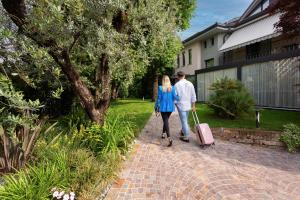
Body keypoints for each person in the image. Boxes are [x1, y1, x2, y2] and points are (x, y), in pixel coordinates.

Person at [155, 75, 179, 147]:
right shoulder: (172, 88)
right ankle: (163, 134)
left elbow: (159, 98)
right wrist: (179, 96)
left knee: (166, 121)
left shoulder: (160, 88)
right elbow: (175, 97)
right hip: (170, 108)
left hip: (163, 107)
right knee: (166, 120)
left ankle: (169, 138)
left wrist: (156, 107)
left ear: (163, 81)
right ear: (169, 80)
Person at [174, 71, 197, 143]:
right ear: (184, 76)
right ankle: (183, 131)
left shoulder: (176, 85)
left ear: (178, 77)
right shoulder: (190, 84)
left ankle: (186, 137)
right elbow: (193, 95)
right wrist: (193, 106)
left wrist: (175, 104)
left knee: (184, 121)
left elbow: (175, 97)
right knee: (185, 120)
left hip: (181, 105)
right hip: (188, 105)